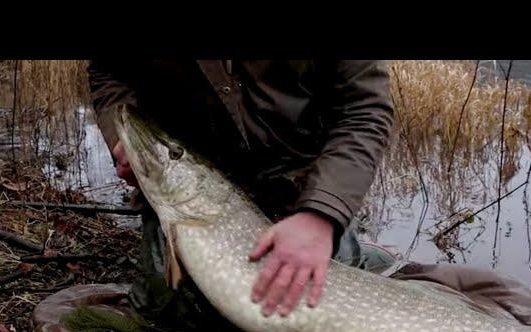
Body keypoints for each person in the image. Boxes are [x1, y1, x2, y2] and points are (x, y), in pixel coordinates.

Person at [87, 60, 396, 317]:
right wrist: (119, 136)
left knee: (311, 313)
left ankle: (358, 255)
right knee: (167, 311)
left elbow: (364, 108)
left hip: (300, 189)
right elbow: (109, 70)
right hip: (198, 184)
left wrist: (322, 213)